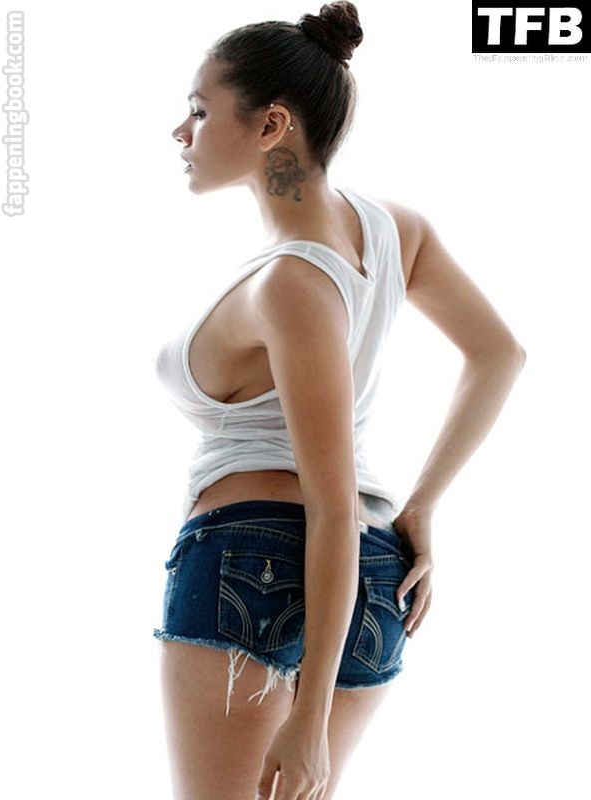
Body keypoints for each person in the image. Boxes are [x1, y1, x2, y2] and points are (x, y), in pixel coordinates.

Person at [152, 3, 527, 798]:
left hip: (251, 564)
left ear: (271, 125)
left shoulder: (291, 281)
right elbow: (498, 355)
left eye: (199, 110)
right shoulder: (391, 230)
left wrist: (310, 715)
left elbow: (328, 503)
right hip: (373, 573)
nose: (180, 133)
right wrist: (419, 507)